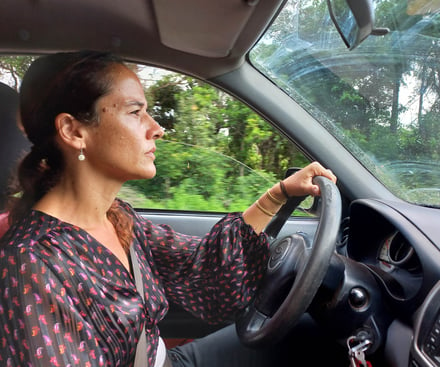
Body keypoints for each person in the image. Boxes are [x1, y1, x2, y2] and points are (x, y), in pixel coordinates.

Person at [0, 51, 337, 367]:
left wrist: (277, 195)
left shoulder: (118, 217)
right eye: (135, 112)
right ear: (74, 131)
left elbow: (203, 270)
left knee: (308, 332)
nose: (157, 129)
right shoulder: (32, 264)